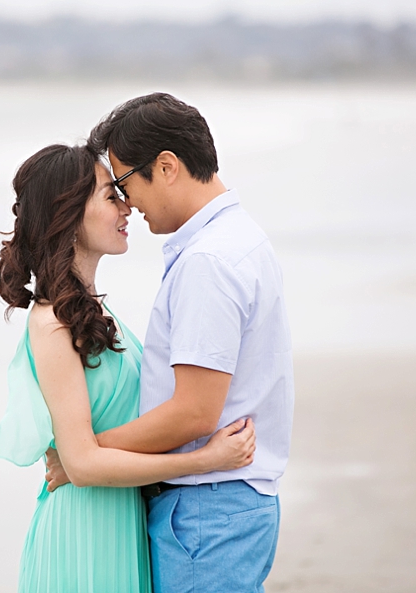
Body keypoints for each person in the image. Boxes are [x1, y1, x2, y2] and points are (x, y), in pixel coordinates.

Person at [46, 93, 295, 592]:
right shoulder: (240, 238)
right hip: (224, 505)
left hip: (208, 509)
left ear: (165, 167)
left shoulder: (209, 261)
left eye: (124, 182)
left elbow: (194, 413)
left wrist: (84, 455)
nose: (126, 202)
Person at [0, 143, 256, 593]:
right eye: (111, 196)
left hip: (121, 523)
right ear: (69, 216)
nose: (127, 206)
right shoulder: (52, 322)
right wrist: (203, 460)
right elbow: (83, 465)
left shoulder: (94, 313)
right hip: (84, 536)